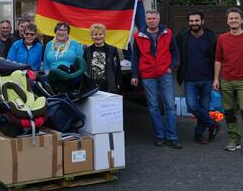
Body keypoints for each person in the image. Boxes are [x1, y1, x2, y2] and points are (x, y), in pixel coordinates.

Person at [213, 8, 243, 160]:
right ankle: (234, 139)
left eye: (236, 18)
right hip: (226, 80)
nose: (233, 20)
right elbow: (218, 60)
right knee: (229, 112)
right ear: (227, 21)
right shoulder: (222, 38)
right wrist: (216, 79)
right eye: (231, 18)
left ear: (242, 21)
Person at [130, 10, 181, 149]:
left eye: (154, 18)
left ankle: (172, 137)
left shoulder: (168, 33)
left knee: (170, 105)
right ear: (146, 20)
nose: (151, 20)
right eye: (149, 18)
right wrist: (134, 75)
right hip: (147, 75)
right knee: (153, 107)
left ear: (159, 19)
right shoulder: (138, 36)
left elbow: (176, 52)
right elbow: (135, 57)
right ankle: (160, 136)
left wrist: (173, 65)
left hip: (165, 73)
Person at [176, 11, 220, 145]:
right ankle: (213, 124)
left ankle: (199, 135)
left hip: (207, 79)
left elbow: (217, 59)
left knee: (204, 109)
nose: (194, 23)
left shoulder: (211, 37)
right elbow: (175, 51)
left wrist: (216, 78)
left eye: (196, 21)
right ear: (188, 22)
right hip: (190, 79)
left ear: (202, 21)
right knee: (192, 106)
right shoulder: (182, 36)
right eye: (191, 21)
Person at [84, 23, 122, 93]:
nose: (98, 37)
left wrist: (118, 83)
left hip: (108, 85)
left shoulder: (112, 50)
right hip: (91, 86)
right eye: (95, 34)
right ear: (92, 37)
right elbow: (84, 69)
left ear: (104, 35)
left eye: (100, 34)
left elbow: (117, 68)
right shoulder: (87, 50)